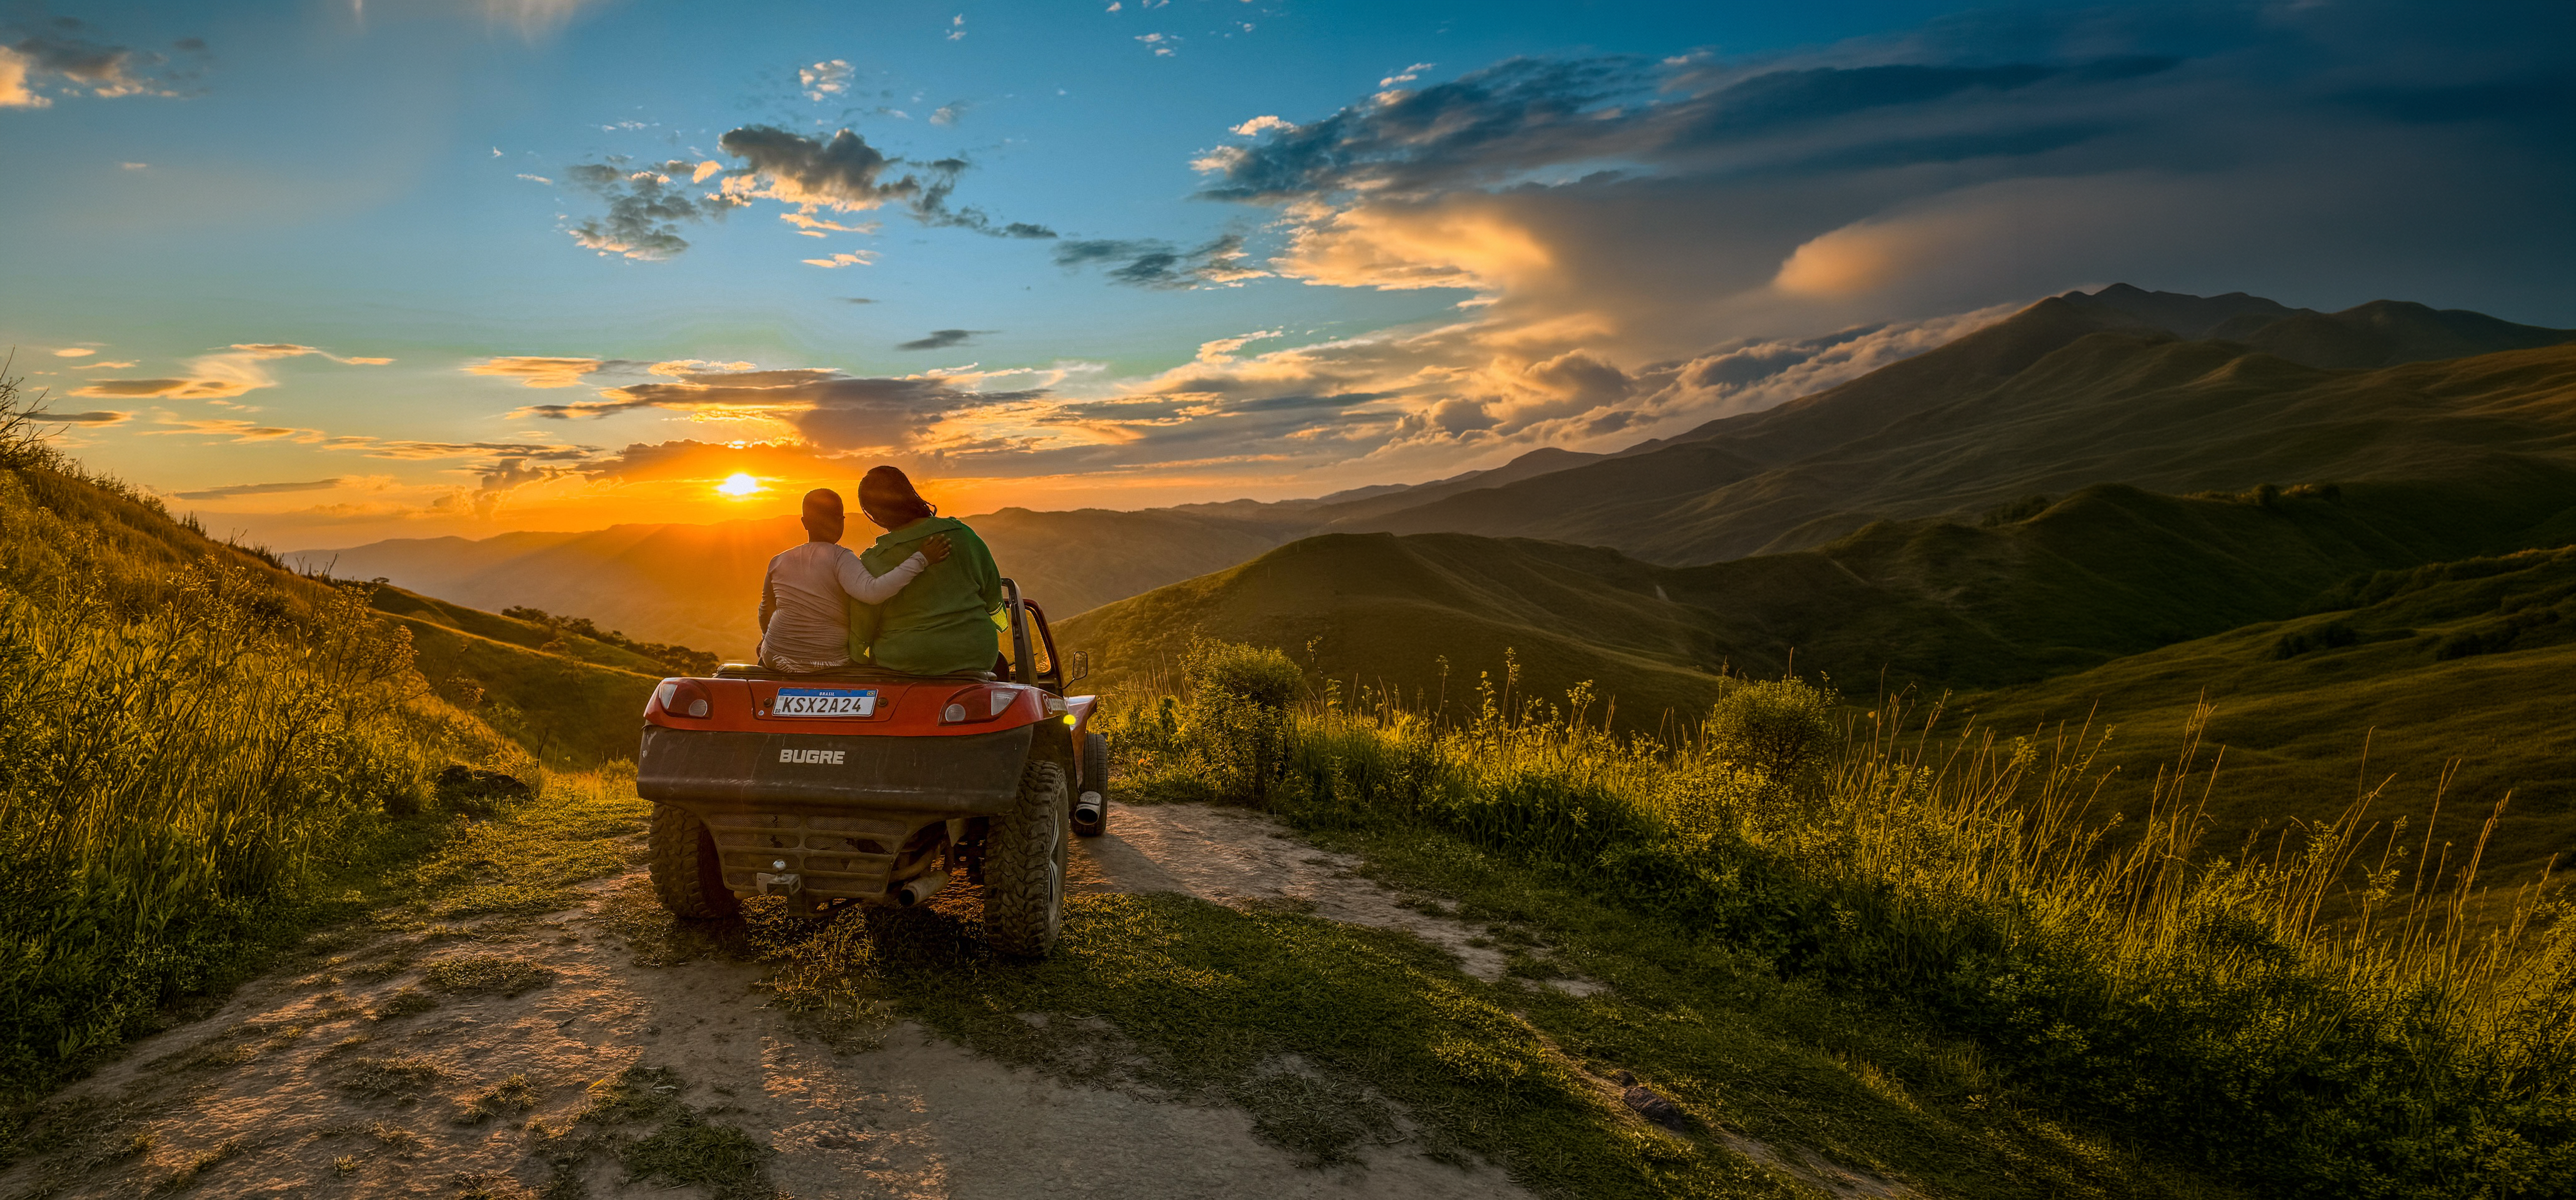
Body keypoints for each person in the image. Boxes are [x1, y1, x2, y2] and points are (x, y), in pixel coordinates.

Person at [756, 488, 949, 674]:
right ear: (841, 521)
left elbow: (766, 610)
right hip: (830, 662)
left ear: (805, 522)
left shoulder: (778, 561)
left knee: (766, 647)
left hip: (776, 658)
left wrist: (768, 640)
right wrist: (921, 559)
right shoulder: (841, 558)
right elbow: (873, 593)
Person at [847, 466, 1005, 676]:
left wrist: (858, 657)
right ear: (910, 495)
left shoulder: (874, 561)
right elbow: (993, 595)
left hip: (904, 661)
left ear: (875, 514)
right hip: (975, 655)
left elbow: (862, 627)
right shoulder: (963, 536)